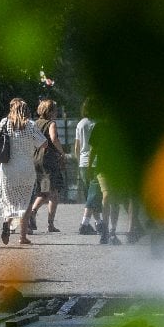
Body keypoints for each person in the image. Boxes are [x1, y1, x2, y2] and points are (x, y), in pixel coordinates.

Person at [0, 99, 47, 245]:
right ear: (26, 111)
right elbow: (44, 143)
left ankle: (7, 223)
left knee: (9, 200)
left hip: (8, 168)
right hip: (26, 169)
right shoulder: (30, 125)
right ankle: (22, 237)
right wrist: (31, 147)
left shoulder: (4, 123)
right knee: (26, 202)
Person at [28, 99, 69, 234]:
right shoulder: (51, 123)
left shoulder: (35, 123)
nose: (56, 112)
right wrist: (62, 152)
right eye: (55, 110)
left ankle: (33, 214)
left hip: (37, 160)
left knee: (44, 191)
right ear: (50, 111)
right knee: (53, 193)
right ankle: (47, 223)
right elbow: (53, 138)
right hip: (49, 161)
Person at [73, 98, 103, 235]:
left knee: (92, 195)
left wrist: (79, 160)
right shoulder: (97, 124)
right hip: (95, 162)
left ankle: (99, 223)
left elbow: (77, 146)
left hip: (83, 162)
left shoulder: (81, 124)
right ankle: (84, 224)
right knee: (94, 196)